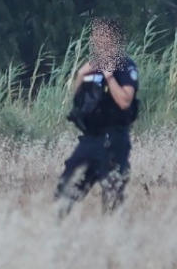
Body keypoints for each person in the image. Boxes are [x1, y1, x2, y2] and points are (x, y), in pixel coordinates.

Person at [55, 18, 140, 217]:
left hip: (114, 138)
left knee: (112, 196)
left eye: (102, 35)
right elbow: (78, 100)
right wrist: (80, 75)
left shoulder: (125, 66)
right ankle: (58, 232)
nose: (97, 40)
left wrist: (109, 77)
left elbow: (125, 101)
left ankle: (112, 236)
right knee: (66, 190)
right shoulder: (91, 66)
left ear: (114, 39)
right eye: (95, 35)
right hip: (90, 139)